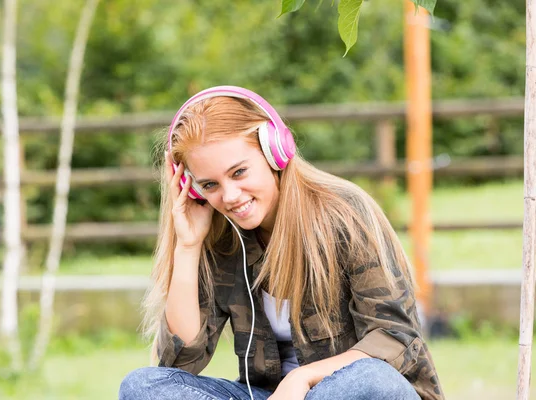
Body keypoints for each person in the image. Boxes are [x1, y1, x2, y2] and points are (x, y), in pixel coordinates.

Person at [119, 86, 444, 400]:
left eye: (239, 172)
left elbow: (393, 337)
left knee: (371, 381)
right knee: (141, 387)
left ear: (275, 150)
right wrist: (187, 247)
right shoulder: (218, 236)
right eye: (209, 184)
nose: (230, 196)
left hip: (346, 391)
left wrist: (300, 378)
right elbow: (179, 363)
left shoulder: (345, 213)